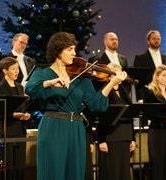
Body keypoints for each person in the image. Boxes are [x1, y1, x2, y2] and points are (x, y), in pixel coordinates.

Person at [25, 32, 127, 179]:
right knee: (52, 172)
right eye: (70, 49)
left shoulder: (81, 77)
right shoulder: (44, 73)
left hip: (77, 129)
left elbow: (97, 105)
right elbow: (31, 89)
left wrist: (111, 83)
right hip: (54, 126)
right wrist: (51, 82)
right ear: (58, 51)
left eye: (74, 49)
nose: (74, 53)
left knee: (75, 173)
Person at [0, 57, 31, 180]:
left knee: (19, 166)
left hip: (20, 130)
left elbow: (23, 107)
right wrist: (14, 115)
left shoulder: (20, 87)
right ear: (5, 71)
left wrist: (25, 114)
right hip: (6, 130)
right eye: (13, 69)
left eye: (18, 68)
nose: (16, 71)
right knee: (5, 166)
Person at [96, 63, 136, 180]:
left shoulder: (124, 91)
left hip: (125, 135)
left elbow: (130, 115)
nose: (120, 75)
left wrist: (132, 138)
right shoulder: (105, 91)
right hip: (111, 136)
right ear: (110, 75)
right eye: (117, 73)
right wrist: (101, 139)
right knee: (112, 171)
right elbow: (100, 117)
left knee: (124, 172)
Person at [143, 65, 166, 180]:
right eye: (164, 75)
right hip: (157, 132)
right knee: (158, 164)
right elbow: (148, 114)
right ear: (157, 77)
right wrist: (165, 119)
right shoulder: (150, 92)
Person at [134, 30, 166, 103]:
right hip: (147, 95)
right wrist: (140, 98)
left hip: (164, 94)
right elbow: (138, 80)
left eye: (158, 39)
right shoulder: (140, 58)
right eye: (154, 39)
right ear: (148, 41)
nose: (156, 41)